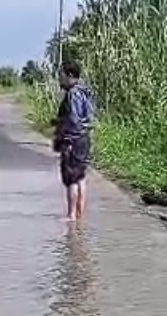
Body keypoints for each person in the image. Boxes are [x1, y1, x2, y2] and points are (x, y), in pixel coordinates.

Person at [51, 60, 96, 221]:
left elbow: (74, 119)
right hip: (84, 138)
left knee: (71, 179)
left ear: (70, 76)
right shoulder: (85, 92)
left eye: (61, 76)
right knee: (80, 176)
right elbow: (88, 118)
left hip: (74, 140)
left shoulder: (73, 94)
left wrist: (67, 140)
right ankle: (79, 215)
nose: (59, 79)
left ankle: (71, 216)